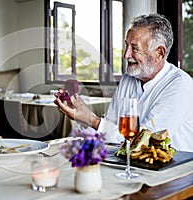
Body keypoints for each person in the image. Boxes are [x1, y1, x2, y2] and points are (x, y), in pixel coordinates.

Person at [54, 13, 193, 152]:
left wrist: (92, 120)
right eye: (126, 46)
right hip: (131, 165)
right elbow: (109, 128)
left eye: (134, 48)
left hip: (174, 170)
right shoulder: (128, 78)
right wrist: (80, 112)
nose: (126, 55)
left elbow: (144, 142)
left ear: (159, 53)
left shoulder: (181, 86)